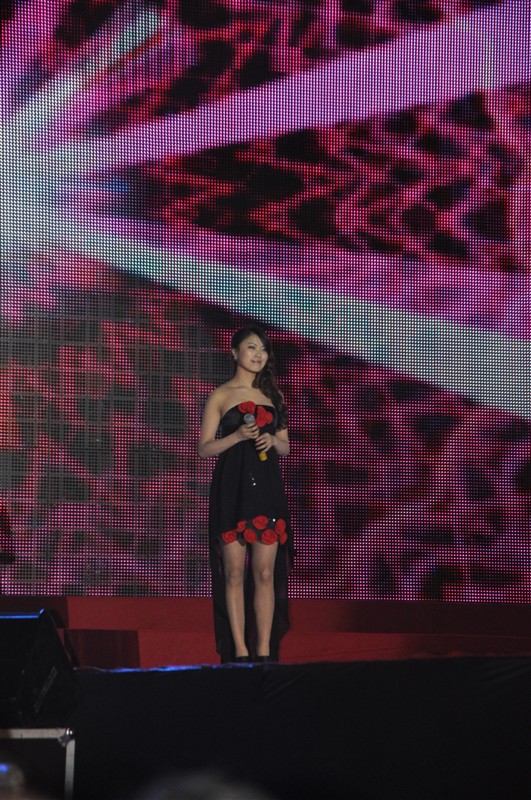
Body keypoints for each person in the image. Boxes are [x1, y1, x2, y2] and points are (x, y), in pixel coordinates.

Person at [198, 325, 293, 663]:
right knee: (234, 572)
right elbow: (204, 448)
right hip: (232, 488)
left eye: (263, 350)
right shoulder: (220, 396)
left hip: (266, 488)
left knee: (265, 572)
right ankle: (239, 651)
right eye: (252, 348)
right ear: (235, 352)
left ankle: (264, 651)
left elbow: (286, 446)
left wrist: (273, 441)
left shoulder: (274, 396)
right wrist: (237, 437)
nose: (258, 355)